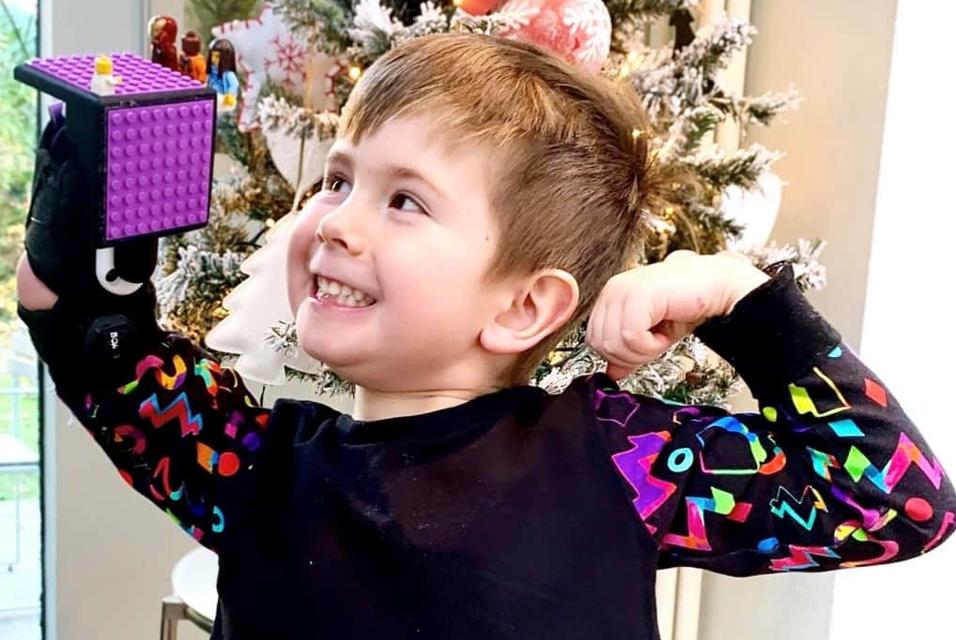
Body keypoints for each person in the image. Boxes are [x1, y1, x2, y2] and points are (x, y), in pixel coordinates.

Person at [14, 32, 956, 639]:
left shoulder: (619, 460)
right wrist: (80, 237)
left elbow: (900, 501)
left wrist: (735, 294)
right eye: (337, 181)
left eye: (404, 200)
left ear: (521, 307)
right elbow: (100, 354)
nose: (336, 220)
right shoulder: (252, 464)